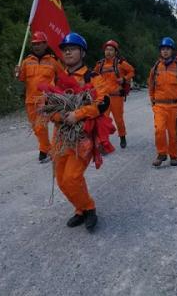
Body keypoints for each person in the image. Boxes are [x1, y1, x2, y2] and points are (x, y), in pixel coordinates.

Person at [50, 32, 110, 231]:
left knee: (72, 178)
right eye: (65, 49)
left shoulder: (92, 78)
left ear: (82, 52)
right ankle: (80, 209)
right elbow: (46, 104)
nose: (67, 51)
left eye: (73, 48)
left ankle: (89, 208)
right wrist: (58, 117)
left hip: (82, 136)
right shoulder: (58, 79)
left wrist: (79, 114)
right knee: (61, 181)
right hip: (60, 137)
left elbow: (103, 102)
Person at [15, 31, 63, 163]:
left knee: (41, 126)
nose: (36, 46)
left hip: (45, 101)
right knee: (35, 128)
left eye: (39, 43)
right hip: (30, 100)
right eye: (34, 44)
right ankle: (49, 149)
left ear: (45, 44)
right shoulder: (26, 62)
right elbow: (21, 78)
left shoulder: (53, 61)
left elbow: (62, 78)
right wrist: (17, 73)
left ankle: (44, 152)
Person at [148, 37, 177, 167]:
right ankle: (161, 153)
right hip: (159, 105)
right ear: (160, 51)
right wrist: (152, 100)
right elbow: (151, 85)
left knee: (173, 133)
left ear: (172, 51)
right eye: (163, 49)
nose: (165, 51)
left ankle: (173, 155)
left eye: (167, 49)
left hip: (174, 106)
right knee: (159, 130)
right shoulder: (156, 67)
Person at [94, 40, 135, 149]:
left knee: (118, 120)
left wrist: (124, 79)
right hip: (104, 97)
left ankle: (122, 137)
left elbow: (132, 71)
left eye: (111, 50)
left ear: (116, 52)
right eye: (107, 49)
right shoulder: (100, 64)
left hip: (117, 96)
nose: (108, 52)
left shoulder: (121, 63)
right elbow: (94, 76)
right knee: (104, 120)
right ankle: (103, 142)